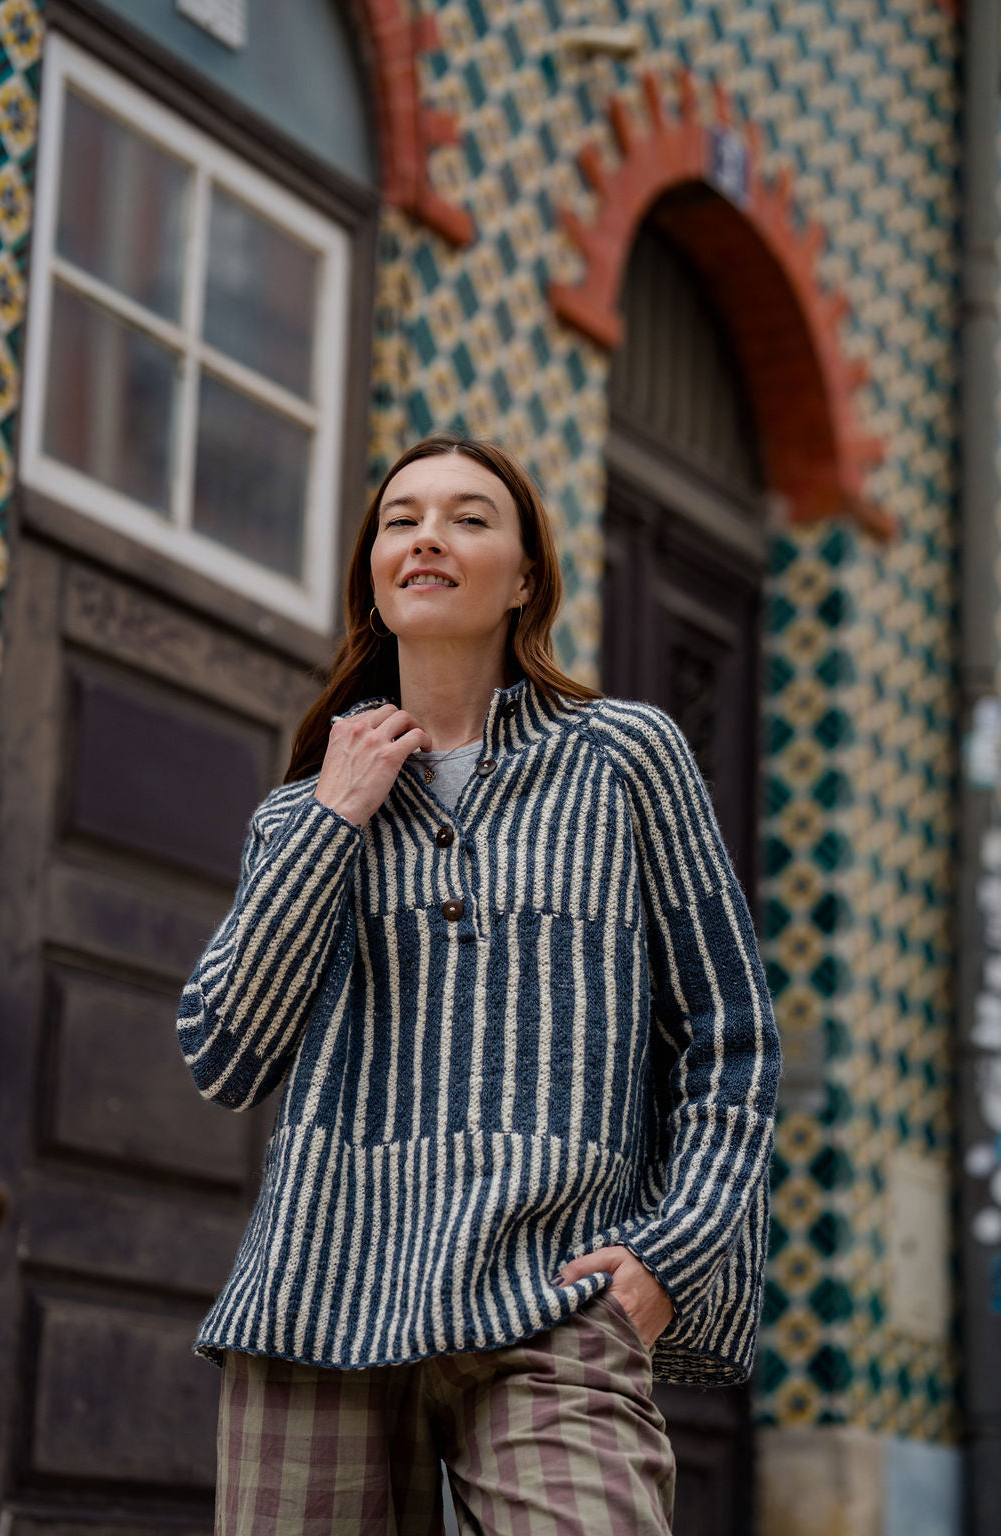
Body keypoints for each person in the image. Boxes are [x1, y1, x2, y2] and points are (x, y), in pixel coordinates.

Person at [176, 433, 781, 1535]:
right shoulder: (303, 812)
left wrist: (669, 1254)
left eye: (467, 518)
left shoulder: (624, 758)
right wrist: (333, 818)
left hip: (553, 1292)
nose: (427, 538)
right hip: (320, 1298)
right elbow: (224, 1057)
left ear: (525, 579)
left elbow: (730, 1031)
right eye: (401, 519)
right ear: (373, 571)